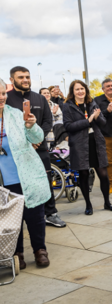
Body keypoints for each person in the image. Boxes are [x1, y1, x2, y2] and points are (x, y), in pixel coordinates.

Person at [6, 66, 66, 228]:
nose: (25, 80)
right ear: (12, 80)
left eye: (27, 76)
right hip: (16, 152)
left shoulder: (39, 99)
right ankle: (16, 216)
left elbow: (48, 121)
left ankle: (50, 213)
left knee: (45, 181)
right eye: (20, 77)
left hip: (39, 149)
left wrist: (37, 139)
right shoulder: (7, 99)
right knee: (16, 184)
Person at [0, 78, 51, 268]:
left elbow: (37, 138)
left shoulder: (15, 114)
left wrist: (31, 126)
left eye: (4, 93)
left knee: (35, 215)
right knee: (11, 220)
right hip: (4, 179)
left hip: (26, 173)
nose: (2, 97)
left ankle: (40, 250)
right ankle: (16, 253)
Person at [62, 80, 112, 216]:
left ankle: (107, 202)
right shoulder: (68, 106)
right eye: (77, 89)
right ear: (72, 92)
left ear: (86, 90)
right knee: (84, 175)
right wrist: (88, 121)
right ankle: (88, 205)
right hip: (80, 144)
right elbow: (68, 126)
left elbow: (103, 123)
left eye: (82, 88)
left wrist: (97, 118)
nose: (80, 91)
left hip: (95, 143)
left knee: (103, 175)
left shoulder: (92, 103)